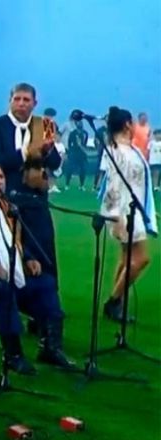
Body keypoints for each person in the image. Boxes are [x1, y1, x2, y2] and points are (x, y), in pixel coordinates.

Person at [0, 161, 75, 372]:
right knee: (4, 288)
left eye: (1, 177)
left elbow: (13, 240)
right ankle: (13, 354)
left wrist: (28, 258)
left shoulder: (7, 206)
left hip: (10, 270)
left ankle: (51, 347)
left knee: (46, 283)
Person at [0, 83, 62, 279]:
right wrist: (25, 153)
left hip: (37, 200)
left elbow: (55, 163)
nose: (21, 104)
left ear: (35, 103)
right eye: (17, 99)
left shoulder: (45, 125)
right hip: (7, 200)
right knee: (13, 252)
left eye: (26, 100)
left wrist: (48, 151)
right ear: (10, 101)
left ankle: (47, 293)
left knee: (44, 252)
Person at [99, 107, 158, 322]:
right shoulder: (119, 151)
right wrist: (116, 216)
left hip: (132, 209)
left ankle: (117, 301)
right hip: (124, 212)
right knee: (141, 258)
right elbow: (114, 186)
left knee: (126, 258)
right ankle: (114, 300)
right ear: (126, 124)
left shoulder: (126, 149)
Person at [64, 120, 89, 190]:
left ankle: (81, 185)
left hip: (82, 153)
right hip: (73, 153)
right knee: (70, 168)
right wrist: (70, 152)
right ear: (76, 124)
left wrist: (83, 148)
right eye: (78, 123)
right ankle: (67, 184)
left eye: (81, 123)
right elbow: (69, 143)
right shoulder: (72, 133)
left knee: (83, 169)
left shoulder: (85, 133)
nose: (80, 124)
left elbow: (85, 144)